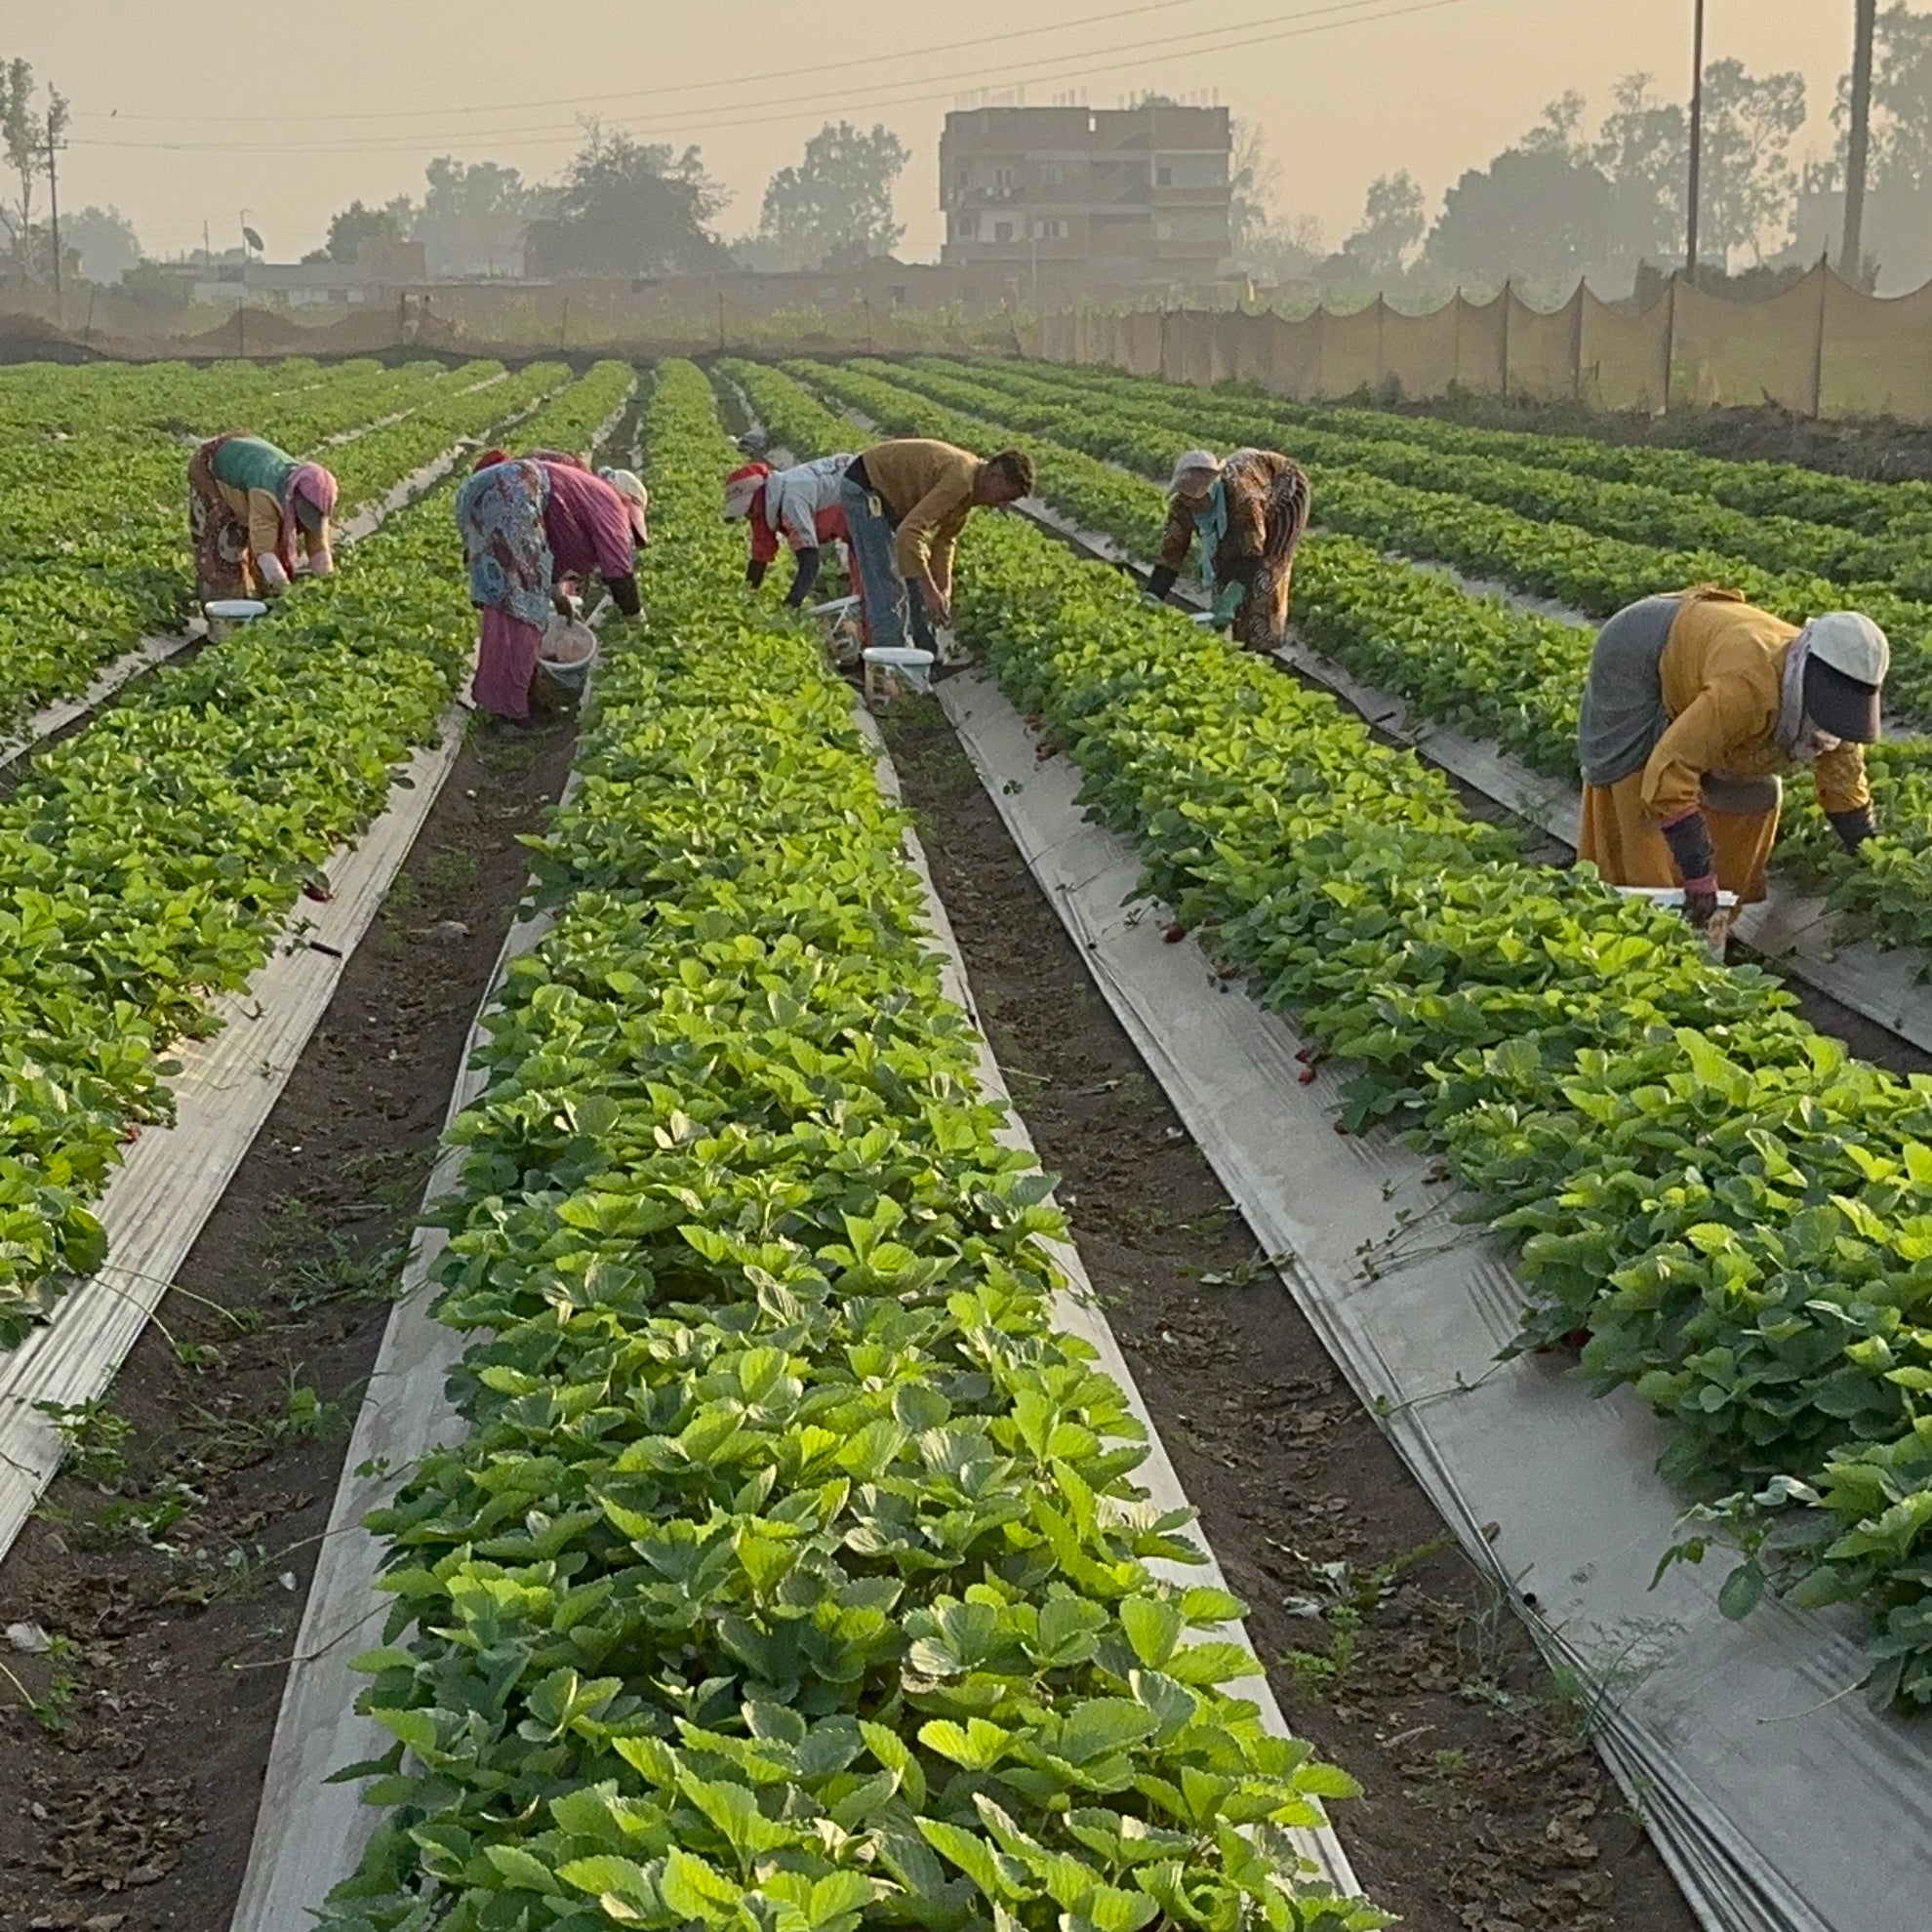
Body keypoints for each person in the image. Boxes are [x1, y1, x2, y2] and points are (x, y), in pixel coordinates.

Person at [1577, 586, 1888, 923]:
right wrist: (1697, 868)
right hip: (1639, 649)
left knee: (1755, 793)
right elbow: (1672, 767)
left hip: (1709, 653)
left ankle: (1714, 916)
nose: (1832, 730)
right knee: (1637, 789)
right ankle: (1639, 917)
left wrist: (1871, 856)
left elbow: (1843, 781)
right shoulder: (1748, 685)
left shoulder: (1837, 708)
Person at [455, 451, 647, 729]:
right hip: (513, 496)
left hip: (480, 491)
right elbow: (619, 573)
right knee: (521, 608)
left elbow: (543, 553)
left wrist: (558, 596)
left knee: (504, 600)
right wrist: (636, 619)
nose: (628, 532)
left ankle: (512, 699)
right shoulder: (611, 502)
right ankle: (510, 711)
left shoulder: (585, 490)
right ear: (627, 501)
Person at [839, 440, 1034, 658]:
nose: (1002, 505)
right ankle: (891, 666)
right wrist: (930, 591)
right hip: (866, 487)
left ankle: (927, 658)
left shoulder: (970, 491)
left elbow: (944, 542)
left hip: (894, 500)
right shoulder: (960, 480)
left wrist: (943, 590)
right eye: (1006, 496)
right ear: (995, 476)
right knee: (887, 584)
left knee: (918, 578)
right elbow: (909, 533)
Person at [1144, 448, 1311, 651]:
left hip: (1285, 491)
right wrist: (1154, 594)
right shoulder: (1182, 505)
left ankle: (1260, 649)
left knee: (1266, 573)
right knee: (1223, 565)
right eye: (1187, 497)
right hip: (1250, 494)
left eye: (1197, 498)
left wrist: (1231, 598)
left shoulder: (1242, 499)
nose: (1192, 503)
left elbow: (1253, 554)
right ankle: (1231, 640)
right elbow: (1172, 552)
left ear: (1210, 490)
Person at [188, 433, 339, 602]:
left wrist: (327, 585)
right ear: (293, 499)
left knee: (265, 550)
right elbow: (265, 551)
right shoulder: (266, 493)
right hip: (215, 467)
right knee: (225, 550)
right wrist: (286, 592)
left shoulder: (317, 496)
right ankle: (220, 603)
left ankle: (258, 596)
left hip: (248, 463)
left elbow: (318, 545)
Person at [724, 454, 854, 608]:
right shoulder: (762, 505)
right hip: (842, 504)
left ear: (758, 494)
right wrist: (745, 597)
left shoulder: (791, 501)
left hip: (859, 490)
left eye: (748, 509)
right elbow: (760, 553)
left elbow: (810, 561)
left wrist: (790, 606)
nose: (747, 515)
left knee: (867, 567)